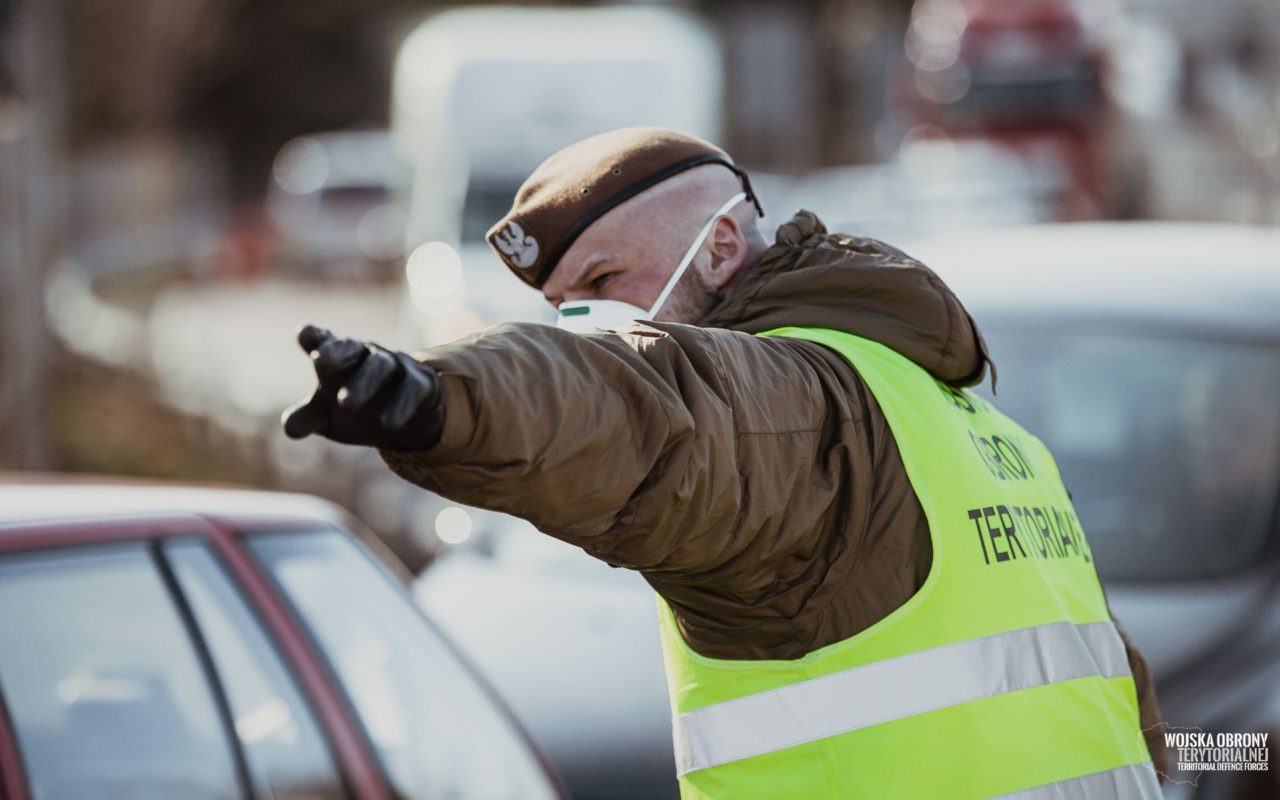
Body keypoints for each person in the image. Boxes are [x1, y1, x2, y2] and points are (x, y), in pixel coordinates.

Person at [284, 127, 1167, 798]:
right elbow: (1134, 720)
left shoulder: (807, 409)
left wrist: (447, 403)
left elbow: (654, 414)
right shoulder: (986, 434)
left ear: (719, 248)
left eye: (601, 283)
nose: (579, 323)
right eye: (560, 307)